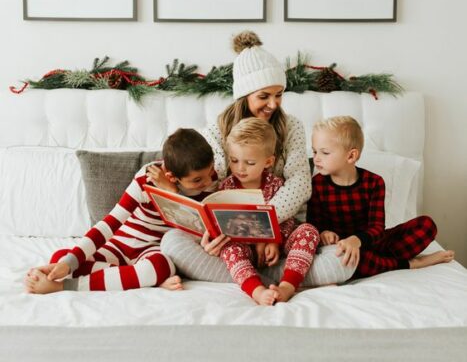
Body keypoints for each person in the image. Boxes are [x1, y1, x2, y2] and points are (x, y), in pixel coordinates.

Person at [161, 31, 356, 287]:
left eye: (279, 94)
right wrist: (207, 235)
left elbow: (300, 185)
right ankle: (271, 277)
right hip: (232, 241)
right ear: (244, 96)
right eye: (264, 96)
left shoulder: (291, 127)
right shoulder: (215, 132)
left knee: (341, 260)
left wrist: (266, 232)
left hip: (282, 236)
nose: (274, 104)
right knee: (171, 242)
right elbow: (207, 189)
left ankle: (256, 277)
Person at [25, 129, 218, 294]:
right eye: (197, 180)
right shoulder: (146, 178)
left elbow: (193, 230)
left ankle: (65, 286)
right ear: (171, 176)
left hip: (153, 249)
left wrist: (172, 193)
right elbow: (111, 222)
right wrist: (70, 261)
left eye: (209, 172)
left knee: (161, 267)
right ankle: (134, 276)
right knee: (61, 258)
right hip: (121, 244)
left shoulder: (209, 181)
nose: (208, 182)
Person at [308, 116, 455, 278]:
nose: (316, 158)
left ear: (351, 156)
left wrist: (356, 240)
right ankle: (411, 263)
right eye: (314, 151)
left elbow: (377, 228)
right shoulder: (317, 184)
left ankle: (380, 262)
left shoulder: (374, 182)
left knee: (426, 224)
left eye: (325, 153)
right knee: (350, 259)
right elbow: (313, 225)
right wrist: (324, 233)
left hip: (370, 242)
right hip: (340, 249)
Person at [217, 118, 320, 305]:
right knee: (229, 249)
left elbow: (286, 219)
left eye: (249, 162)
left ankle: (287, 286)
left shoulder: (276, 185)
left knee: (308, 231)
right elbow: (227, 226)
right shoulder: (226, 187)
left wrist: (273, 239)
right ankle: (256, 290)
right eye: (234, 160)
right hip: (245, 249)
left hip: (278, 244)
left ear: (268, 162)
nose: (240, 168)